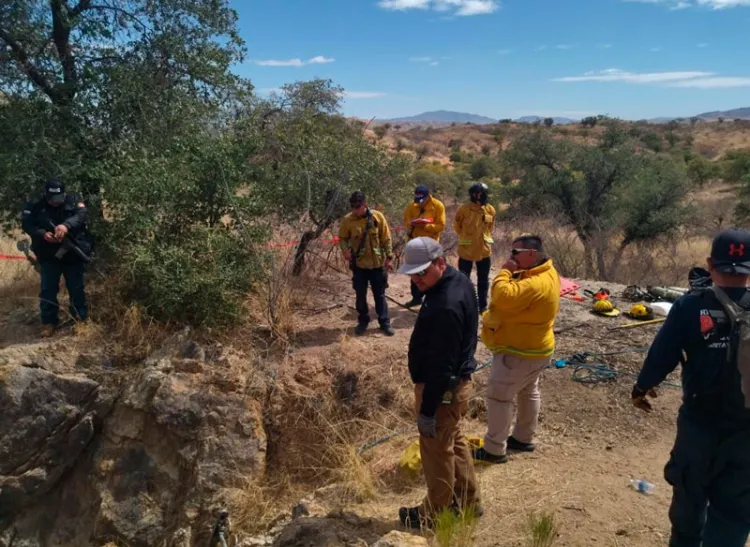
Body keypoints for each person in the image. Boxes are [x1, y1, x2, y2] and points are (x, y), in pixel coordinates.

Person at [632, 228, 750, 547]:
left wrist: (642, 387)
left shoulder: (689, 306)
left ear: (711, 263)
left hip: (700, 425)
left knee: (689, 499)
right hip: (746, 431)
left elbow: (662, 355)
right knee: (735, 513)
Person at [396, 237, 481, 528]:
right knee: (454, 442)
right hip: (453, 386)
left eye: (421, 272)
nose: (416, 279)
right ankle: (469, 503)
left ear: (440, 263)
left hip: (442, 390)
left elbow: (441, 368)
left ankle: (435, 515)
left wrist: (428, 411)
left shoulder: (446, 304)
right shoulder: (457, 281)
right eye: (412, 273)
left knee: (436, 451)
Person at [473, 235, 560, 464]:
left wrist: (504, 272)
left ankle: (494, 449)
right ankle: (523, 438)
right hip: (537, 349)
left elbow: (502, 296)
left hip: (519, 352)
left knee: (499, 397)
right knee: (528, 391)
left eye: (515, 253)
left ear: (531, 253)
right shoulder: (547, 272)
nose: (511, 257)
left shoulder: (534, 283)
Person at [21, 177, 93, 338]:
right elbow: (27, 224)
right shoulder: (35, 204)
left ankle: (80, 320)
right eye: (52, 199)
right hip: (48, 255)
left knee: (76, 287)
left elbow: (82, 215)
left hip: (72, 254)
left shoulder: (74, 200)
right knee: (48, 289)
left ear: (64, 194)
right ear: (46, 195)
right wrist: (42, 234)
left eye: (59, 198)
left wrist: (65, 226)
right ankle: (49, 322)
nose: (55, 202)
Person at [338, 191, 395, 336]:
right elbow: (343, 238)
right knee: (360, 295)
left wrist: (388, 257)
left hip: (377, 265)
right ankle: (363, 321)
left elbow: (386, 238)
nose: (354, 209)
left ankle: (384, 323)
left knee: (380, 295)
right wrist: (345, 251)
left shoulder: (377, 217)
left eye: (357, 206)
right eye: (352, 206)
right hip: (360, 265)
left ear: (364, 204)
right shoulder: (348, 220)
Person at [453, 182, 496, 312]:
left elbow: (490, 227)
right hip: (466, 250)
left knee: (483, 279)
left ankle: (482, 306)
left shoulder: (490, 209)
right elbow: (457, 225)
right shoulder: (464, 209)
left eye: (485, 193)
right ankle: (464, 303)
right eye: (481, 193)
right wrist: (466, 236)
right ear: (473, 195)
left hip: (484, 251)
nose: (484, 196)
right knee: (464, 278)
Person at [403, 185, 446, 308]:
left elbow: (440, 226)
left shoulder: (438, 206)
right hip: (415, 243)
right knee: (415, 272)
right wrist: (412, 223)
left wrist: (425, 226)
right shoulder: (412, 206)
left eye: (421, 200)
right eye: (417, 200)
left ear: (427, 197)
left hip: (430, 245)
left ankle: (432, 300)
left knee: (431, 273)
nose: (419, 203)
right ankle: (416, 298)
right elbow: (406, 220)